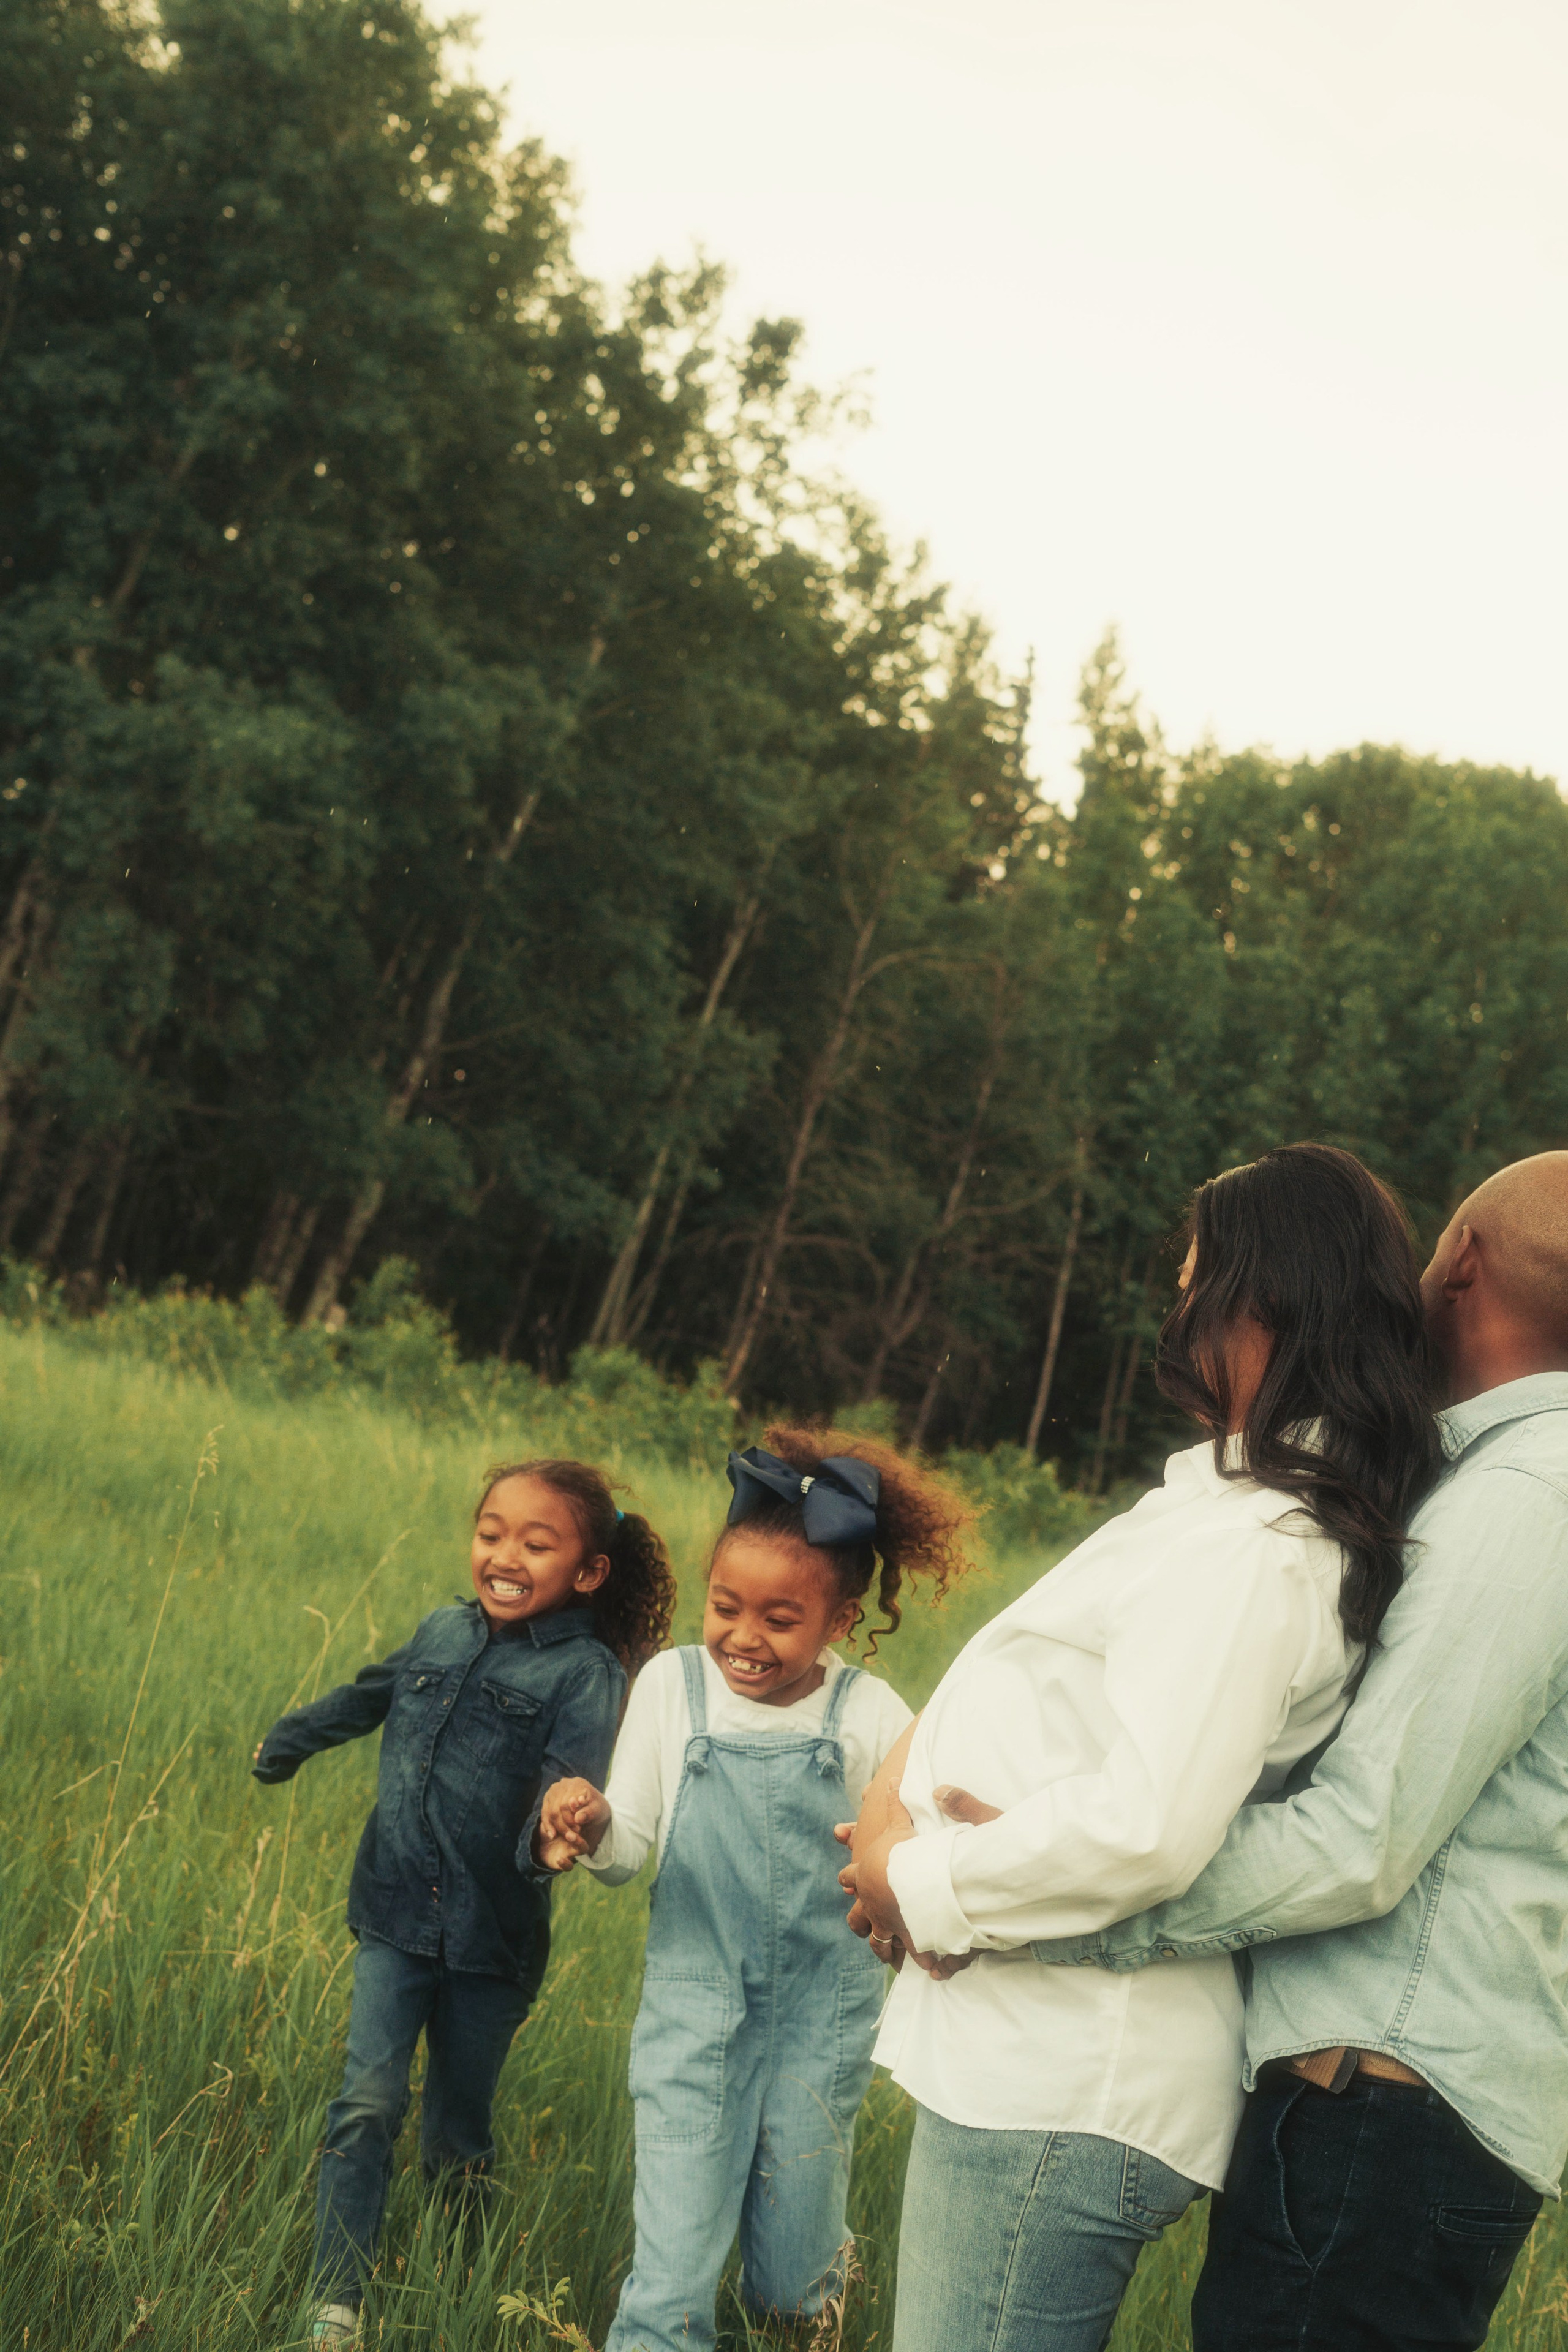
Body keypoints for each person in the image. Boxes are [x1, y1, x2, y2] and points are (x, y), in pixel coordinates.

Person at [841, 1142, 1444, 2352]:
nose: (1174, 1311)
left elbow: (1147, 1824)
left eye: (1192, 1281)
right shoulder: (1223, 1511)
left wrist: (916, 1881)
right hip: (1037, 2049)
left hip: (1069, 2072)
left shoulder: (1258, 1547)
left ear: (1266, 1302)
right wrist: (891, 1816)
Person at [1018, 1150, 1568, 2351]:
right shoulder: (1497, 1482)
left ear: (1460, 1262)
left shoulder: (1531, 1496)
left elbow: (1359, 1842)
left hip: (1383, 2108)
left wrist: (1039, 1912)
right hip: (1384, 2111)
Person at [534, 1427, 976, 2352]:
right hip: (696, 2007)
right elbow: (630, 1853)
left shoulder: (870, 1715)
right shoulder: (672, 1686)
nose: (744, 1638)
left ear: (840, 1624)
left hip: (827, 2011)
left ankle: (822, 2279)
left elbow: (915, 1851)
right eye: (726, 1607)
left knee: (788, 2285)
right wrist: (594, 1822)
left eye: (781, 1620)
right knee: (672, 2284)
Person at [252, 1458, 676, 2351]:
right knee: (365, 2104)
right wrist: (288, 1741)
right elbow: (371, 1693)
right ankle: (336, 2305)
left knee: (454, 2138)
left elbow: (569, 1787)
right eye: (491, 1533)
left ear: (589, 1571)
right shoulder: (442, 1630)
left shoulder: (586, 1674)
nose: (505, 1555)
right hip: (395, 1912)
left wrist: (556, 1836)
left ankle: (460, 2289)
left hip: (493, 1941)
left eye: (537, 1541)